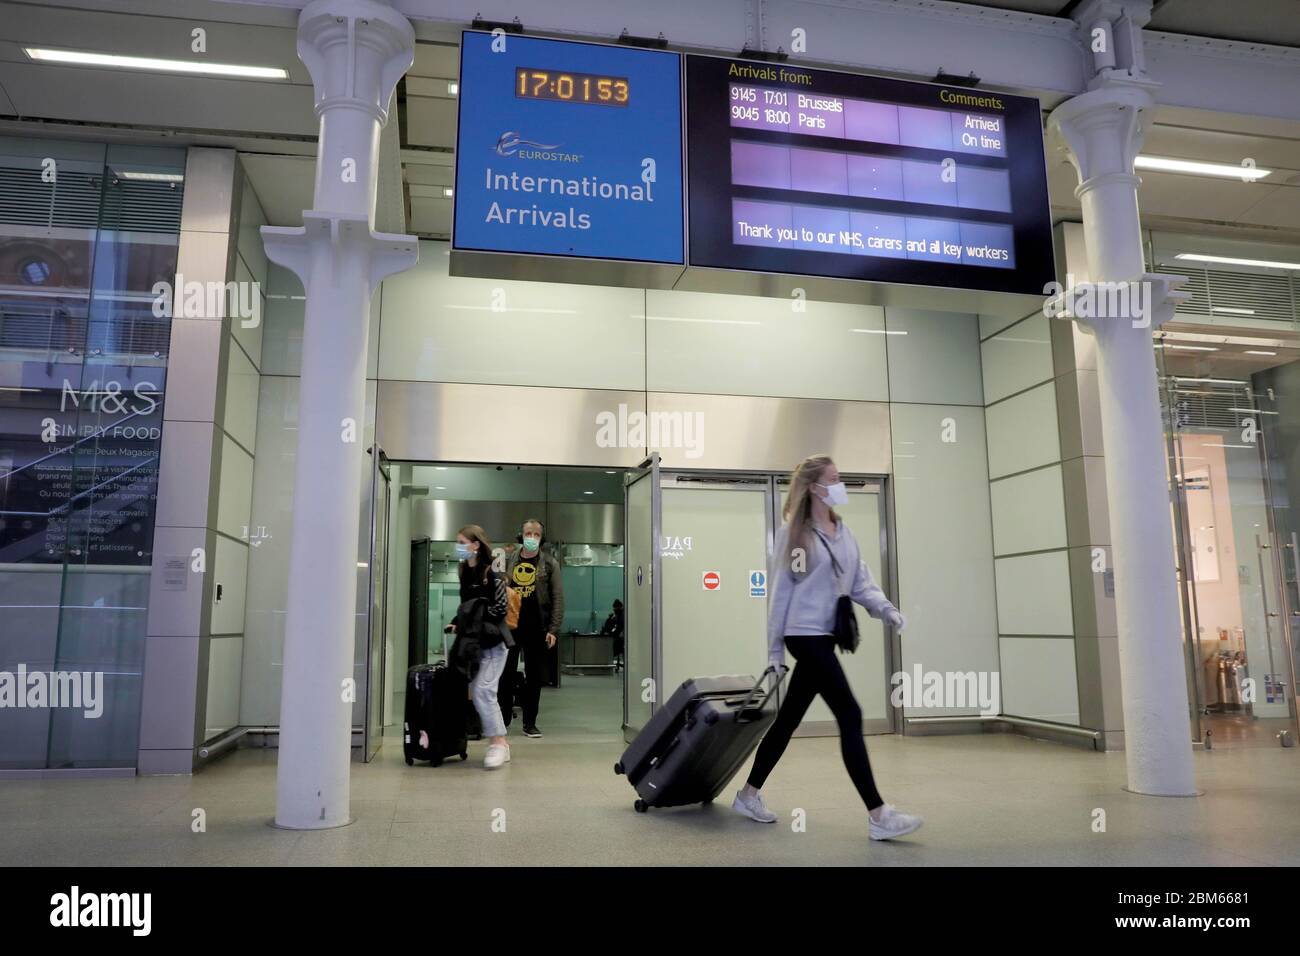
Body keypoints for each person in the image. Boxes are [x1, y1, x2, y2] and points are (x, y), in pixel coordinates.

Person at [733, 454, 923, 841]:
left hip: (825, 636)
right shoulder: (796, 533)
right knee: (850, 713)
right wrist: (774, 654)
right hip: (802, 635)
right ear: (815, 488)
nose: (841, 485)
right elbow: (780, 595)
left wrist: (886, 609)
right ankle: (878, 815)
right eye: (835, 479)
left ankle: (747, 794)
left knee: (788, 720)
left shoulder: (843, 531)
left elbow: (859, 582)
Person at [448, 524, 513, 769]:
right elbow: (466, 604)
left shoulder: (491, 573)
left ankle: (496, 743)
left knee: (484, 691)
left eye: (462, 542)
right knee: (479, 691)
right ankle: (502, 744)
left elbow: (500, 609)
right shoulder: (464, 571)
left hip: (494, 643)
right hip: (474, 643)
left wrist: (474, 615)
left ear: (476, 545)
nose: (459, 547)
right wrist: (457, 621)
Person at [500, 518, 565, 738]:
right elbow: (498, 590)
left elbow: (557, 597)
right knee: (505, 674)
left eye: (536, 535)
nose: (532, 538)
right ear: (521, 535)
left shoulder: (549, 563)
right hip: (511, 626)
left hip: (537, 627)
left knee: (534, 677)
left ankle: (530, 723)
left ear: (542, 538)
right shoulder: (509, 559)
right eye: (528, 533)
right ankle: (503, 719)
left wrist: (553, 629)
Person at [600, 598, 625, 671]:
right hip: (618, 638)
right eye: (614, 608)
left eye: (616, 608)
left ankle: (606, 663)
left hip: (621, 640)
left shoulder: (622, 617)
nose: (614, 610)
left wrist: (611, 632)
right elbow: (613, 627)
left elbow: (618, 629)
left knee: (611, 646)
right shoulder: (617, 616)